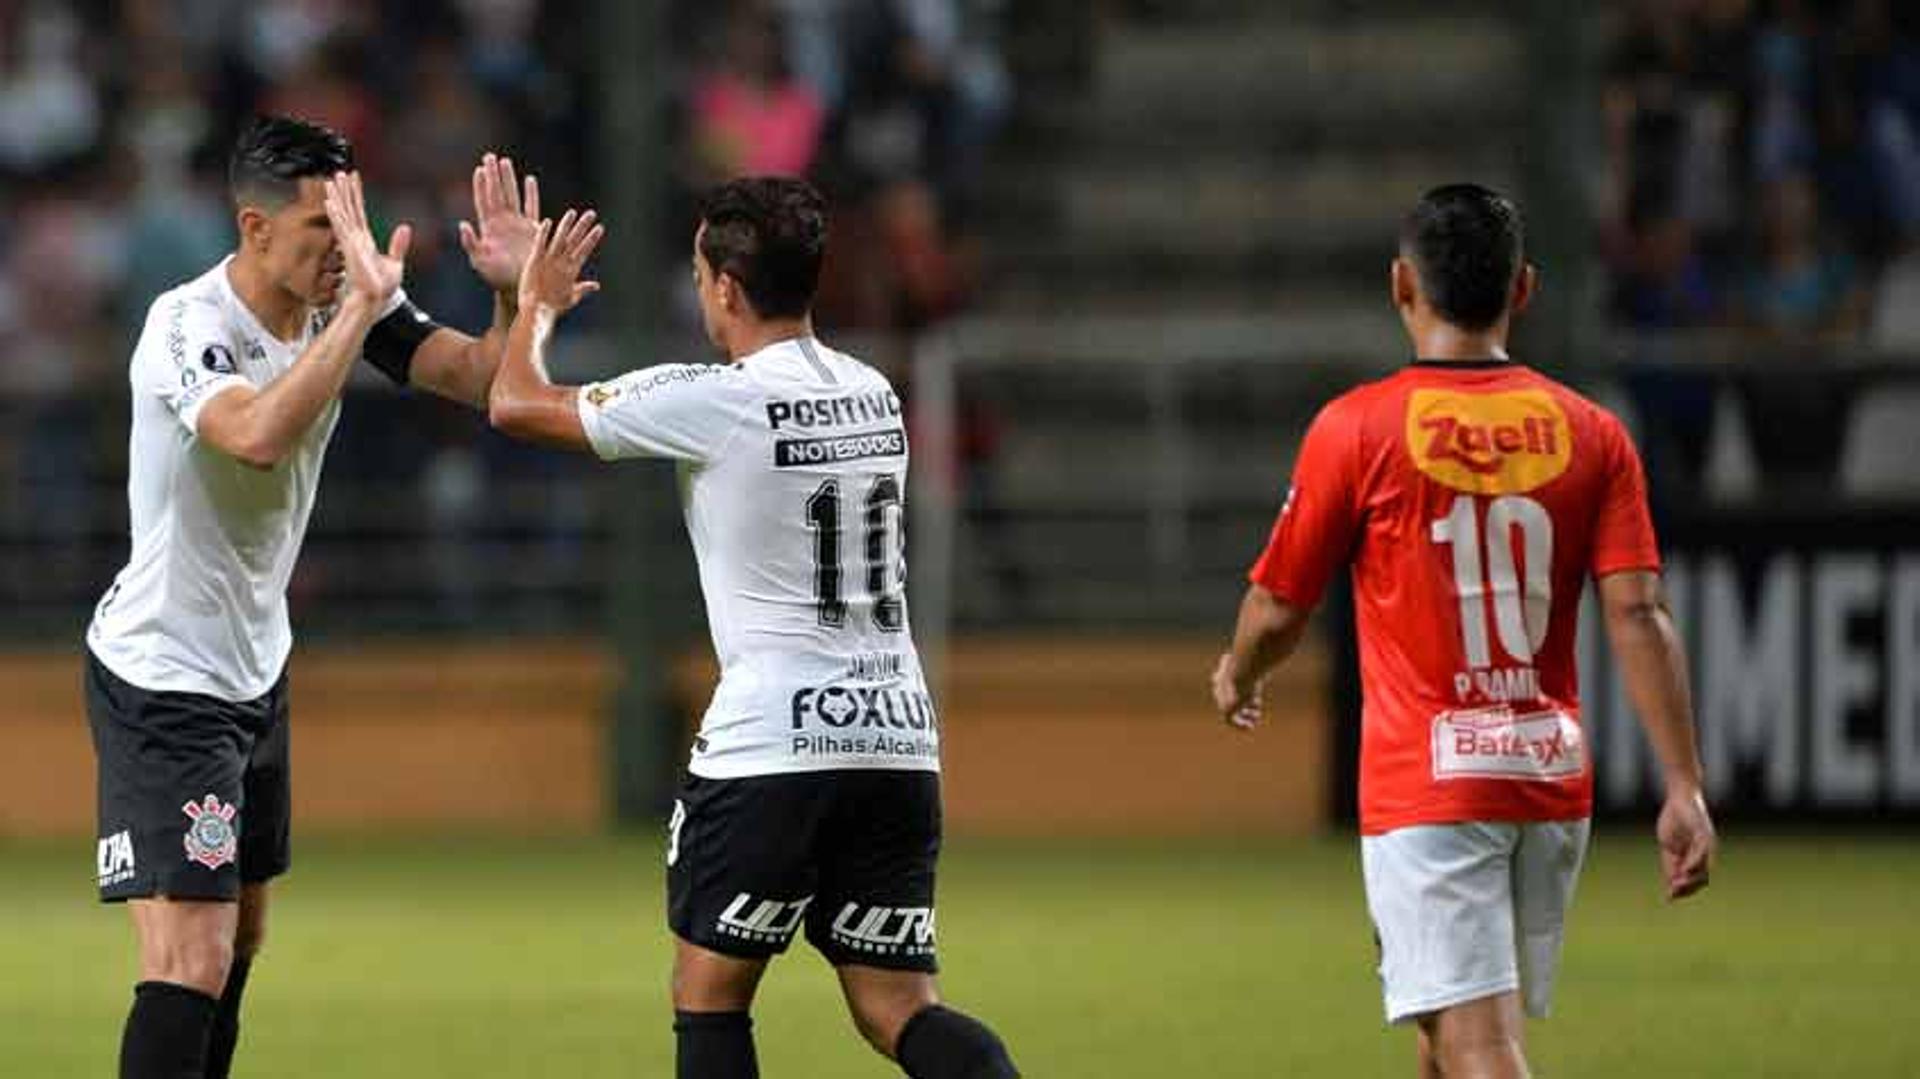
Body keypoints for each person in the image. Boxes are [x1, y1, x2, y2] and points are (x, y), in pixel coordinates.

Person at [486, 176, 1020, 1079]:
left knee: (710, 992)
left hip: (773, 741)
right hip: (896, 735)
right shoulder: (874, 393)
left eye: (700, 274)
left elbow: (514, 403)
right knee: (898, 1004)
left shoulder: (715, 397)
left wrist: (532, 306)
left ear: (726, 288)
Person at [1209, 184, 1717, 1079]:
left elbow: (1282, 604)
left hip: (1431, 787)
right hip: (1549, 778)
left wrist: (1240, 672)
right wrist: (1683, 782)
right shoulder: (1594, 432)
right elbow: (1638, 611)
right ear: (1524, 289)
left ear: (1402, 285)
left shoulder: (1359, 427)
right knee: (1445, 1037)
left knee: (1477, 1042)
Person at [84, 115, 540, 1079]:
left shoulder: (349, 299)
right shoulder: (185, 324)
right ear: (253, 230)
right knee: (190, 957)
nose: (346, 251)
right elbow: (253, 434)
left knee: (238, 944)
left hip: (255, 666)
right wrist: (354, 316)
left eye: (354, 221)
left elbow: (480, 378)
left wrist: (511, 303)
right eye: (319, 231)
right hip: (164, 674)